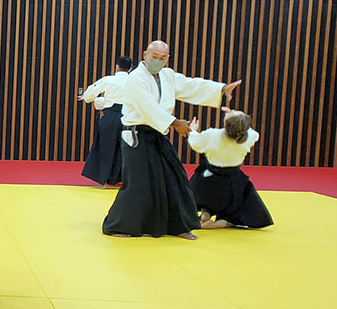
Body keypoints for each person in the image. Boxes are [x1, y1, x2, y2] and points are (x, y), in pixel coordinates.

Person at [102, 40, 241, 240]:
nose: (158, 61)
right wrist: (175, 123)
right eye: (154, 56)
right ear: (145, 54)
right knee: (137, 184)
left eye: (162, 58)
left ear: (167, 58)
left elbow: (191, 86)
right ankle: (118, 226)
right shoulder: (135, 78)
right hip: (136, 135)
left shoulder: (167, 75)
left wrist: (221, 89)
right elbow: (147, 107)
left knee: (175, 178)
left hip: (157, 134)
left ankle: (177, 226)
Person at [187, 110, 273, 229]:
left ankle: (206, 212)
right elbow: (250, 132)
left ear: (227, 122)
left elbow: (195, 144)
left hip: (208, 180)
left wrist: (193, 130)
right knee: (240, 204)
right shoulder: (250, 137)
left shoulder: (213, 134)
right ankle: (223, 222)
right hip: (233, 182)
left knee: (199, 183)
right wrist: (235, 120)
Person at [80, 55, 133, 188]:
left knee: (106, 148)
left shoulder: (108, 80)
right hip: (128, 117)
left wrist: (87, 98)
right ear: (130, 69)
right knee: (123, 149)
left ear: (116, 67)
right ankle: (117, 179)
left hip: (110, 116)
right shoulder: (134, 82)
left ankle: (103, 181)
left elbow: (90, 92)